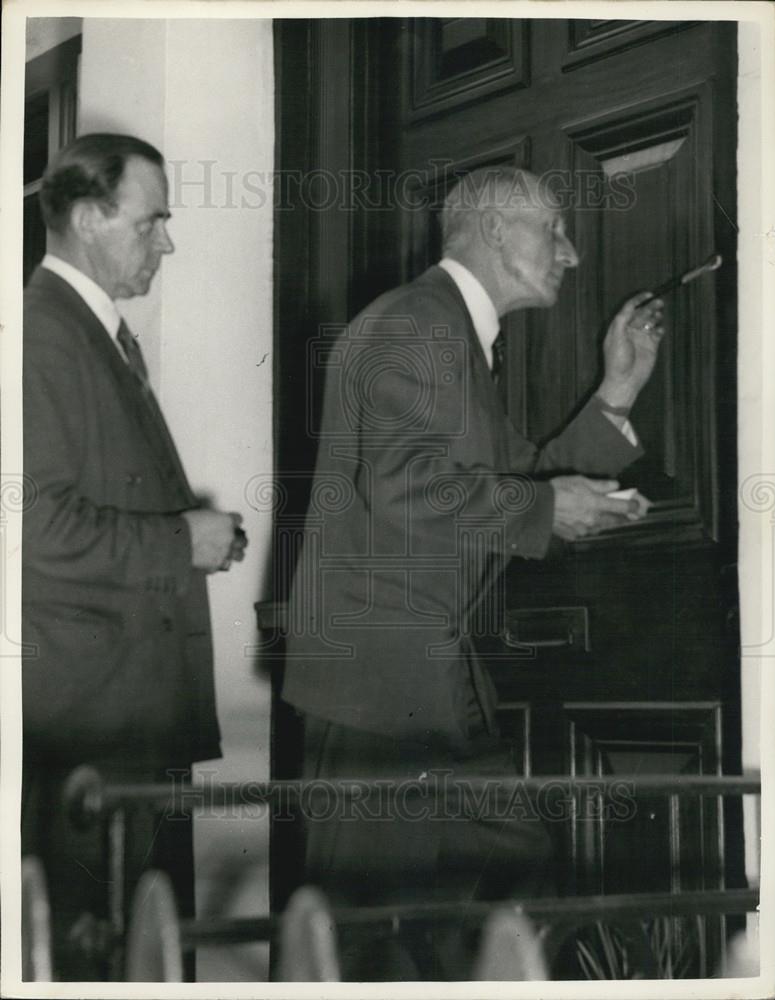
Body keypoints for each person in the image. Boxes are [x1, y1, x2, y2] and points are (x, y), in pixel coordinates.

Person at [281, 165, 665, 979]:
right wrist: (544, 509)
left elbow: (517, 479)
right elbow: (404, 485)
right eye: (552, 230)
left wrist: (617, 391)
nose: (571, 253)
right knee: (367, 941)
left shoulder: (446, 329)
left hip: (420, 683)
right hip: (382, 691)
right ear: (495, 229)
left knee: (465, 904)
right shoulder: (418, 324)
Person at [21, 133, 247, 979]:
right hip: (93, 730)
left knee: (143, 952)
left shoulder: (94, 333)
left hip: (130, 722)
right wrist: (178, 540)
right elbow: (31, 527)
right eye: (152, 222)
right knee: (102, 958)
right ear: (87, 217)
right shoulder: (42, 334)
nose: (168, 242)